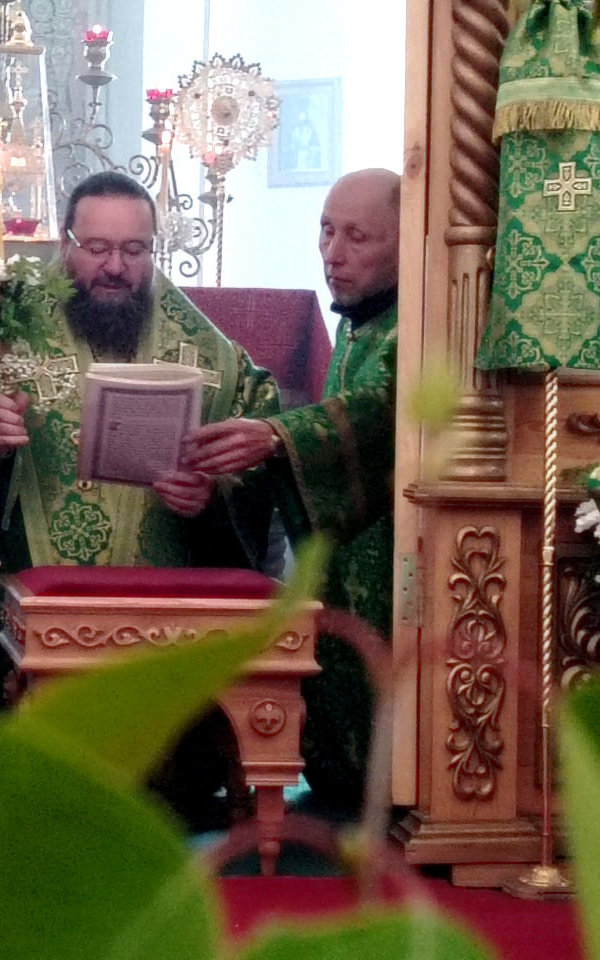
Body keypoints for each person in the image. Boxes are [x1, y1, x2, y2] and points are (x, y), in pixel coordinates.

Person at [0, 171, 282, 823]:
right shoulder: (0, 341)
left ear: (153, 250)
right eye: (97, 248)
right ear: (66, 245)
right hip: (37, 620)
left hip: (167, 629)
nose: (114, 267)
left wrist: (214, 494)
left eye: (134, 250)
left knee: (161, 807)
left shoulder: (211, 355)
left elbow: (262, 453)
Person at [183, 167, 401, 810]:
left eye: (358, 236)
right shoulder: (361, 324)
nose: (333, 253)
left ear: (407, 241)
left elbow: (384, 409)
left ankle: (388, 789)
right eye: (326, 231)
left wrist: (278, 437)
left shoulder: (416, 327)